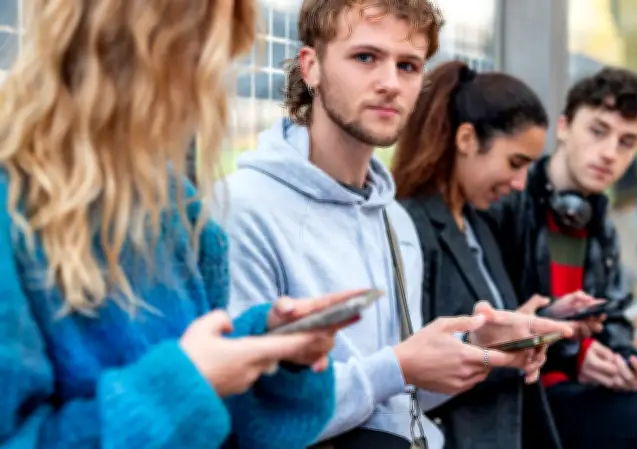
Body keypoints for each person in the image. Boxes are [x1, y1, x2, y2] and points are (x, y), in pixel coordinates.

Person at [0, 1, 360, 447]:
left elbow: (221, 418)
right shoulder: (13, 210)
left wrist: (266, 347)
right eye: (199, 62)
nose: (210, 94)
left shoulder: (175, 210)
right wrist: (185, 386)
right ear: (127, 51)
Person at [215, 1, 549, 448]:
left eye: (408, 66)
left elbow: (397, 401)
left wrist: (478, 347)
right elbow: (255, 415)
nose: (390, 83)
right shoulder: (244, 207)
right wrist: (397, 367)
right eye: (365, 57)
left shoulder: (396, 222)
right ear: (310, 67)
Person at [486, 67, 637, 449]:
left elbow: (612, 316)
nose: (610, 153)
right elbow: (490, 322)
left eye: (627, 142)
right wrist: (573, 353)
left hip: (577, 395)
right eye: (598, 131)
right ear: (563, 127)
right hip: (522, 399)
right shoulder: (509, 203)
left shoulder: (601, 225)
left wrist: (625, 363)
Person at [394, 61, 599, 449]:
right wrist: (508, 342)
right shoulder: (409, 227)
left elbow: (484, 328)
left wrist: (540, 323)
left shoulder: (477, 222)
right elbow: (418, 364)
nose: (520, 182)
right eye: (514, 163)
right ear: (467, 138)